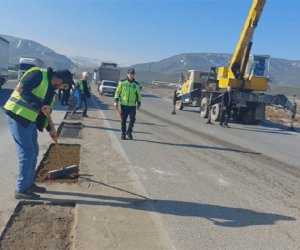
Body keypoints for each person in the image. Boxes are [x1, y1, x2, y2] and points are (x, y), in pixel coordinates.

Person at [3, 67, 74, 199]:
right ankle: (21, 189)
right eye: (64, 86)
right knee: (27, 153)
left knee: (34, 151)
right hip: (17, 116)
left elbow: (45, 113)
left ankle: (29, 184)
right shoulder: (38, 74)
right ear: (59, 80)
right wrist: (41, 105)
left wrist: (50, 129)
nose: (62, 89)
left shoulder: (51, 90)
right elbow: (22, 90)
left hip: (30, 120)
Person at [114, 68, 142, 140]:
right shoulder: (122, 82)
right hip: (124, 105)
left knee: (132, 119)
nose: (131, 75)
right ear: (127, 74)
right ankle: (123, 133)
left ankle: (129, 132)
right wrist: (116, 100)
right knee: (123, 120)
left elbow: (139, 94)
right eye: (130, 74)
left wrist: (139, 103)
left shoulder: (136, 84)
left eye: (133, 74)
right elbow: (117, 92)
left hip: (132, 106)